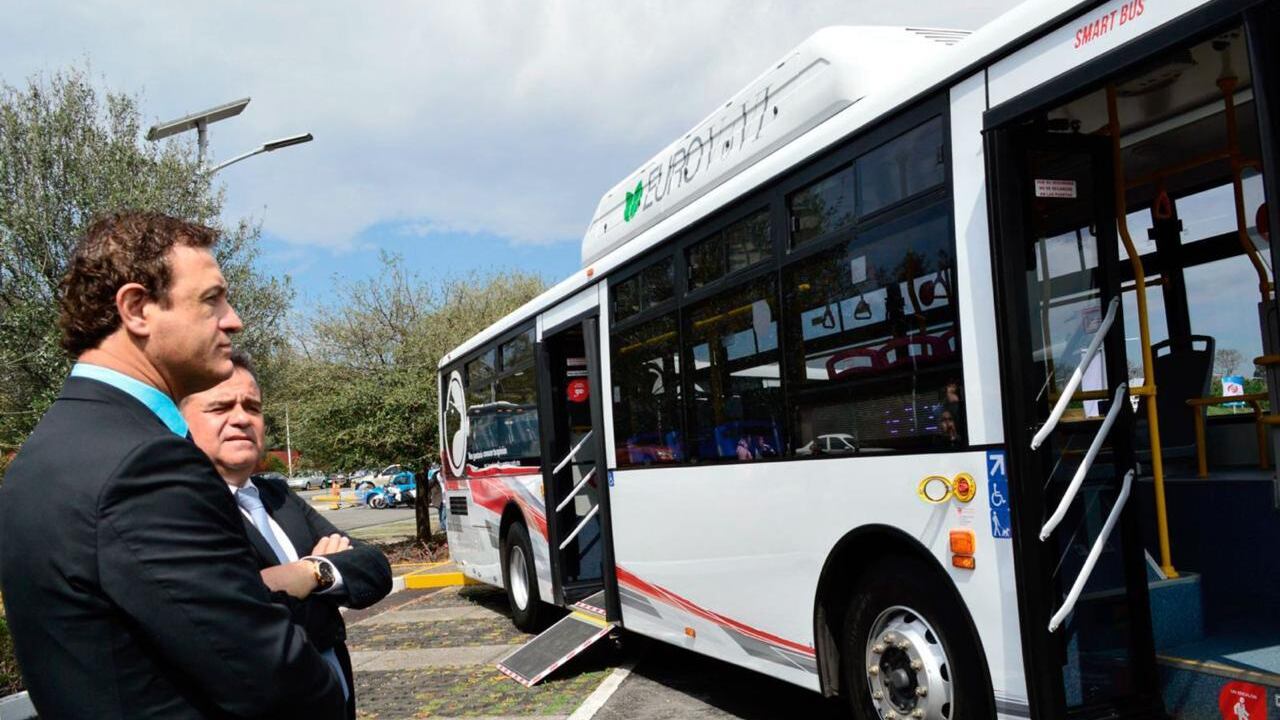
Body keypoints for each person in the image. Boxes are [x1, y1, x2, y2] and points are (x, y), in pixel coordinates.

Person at [0, 212, 345, 719]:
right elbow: (268, 675)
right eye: (211, 299)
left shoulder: (43, 454)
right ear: (137, 308)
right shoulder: (146, 464)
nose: (233, 319)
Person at [181, 350, 392, 720]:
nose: (241, 419)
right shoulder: (184, 509)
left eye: (252, 407)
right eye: (220, 408)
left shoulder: (279, 496)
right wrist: (322, 598)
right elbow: (241, 616)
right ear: (181, 422)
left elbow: (374, 568)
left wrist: (310, 573)